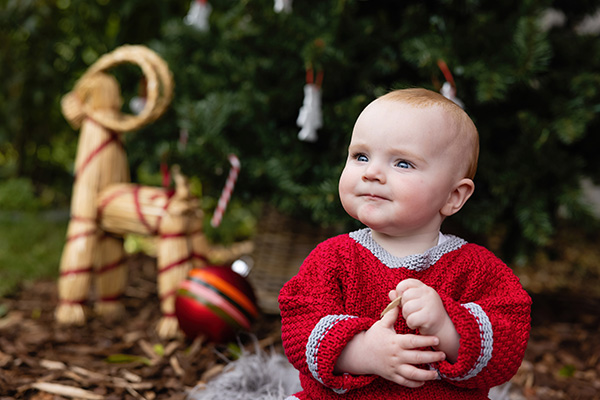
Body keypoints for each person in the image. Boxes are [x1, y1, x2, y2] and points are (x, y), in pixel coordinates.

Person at [278, 88, 532, 399]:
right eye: (360, 156)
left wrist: (448, 328)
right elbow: (299, 327)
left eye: (402, 163)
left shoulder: (476, 268)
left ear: (454, 196)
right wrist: (360, 351)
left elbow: (508, 345)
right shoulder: (333, 258)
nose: (372, 173)